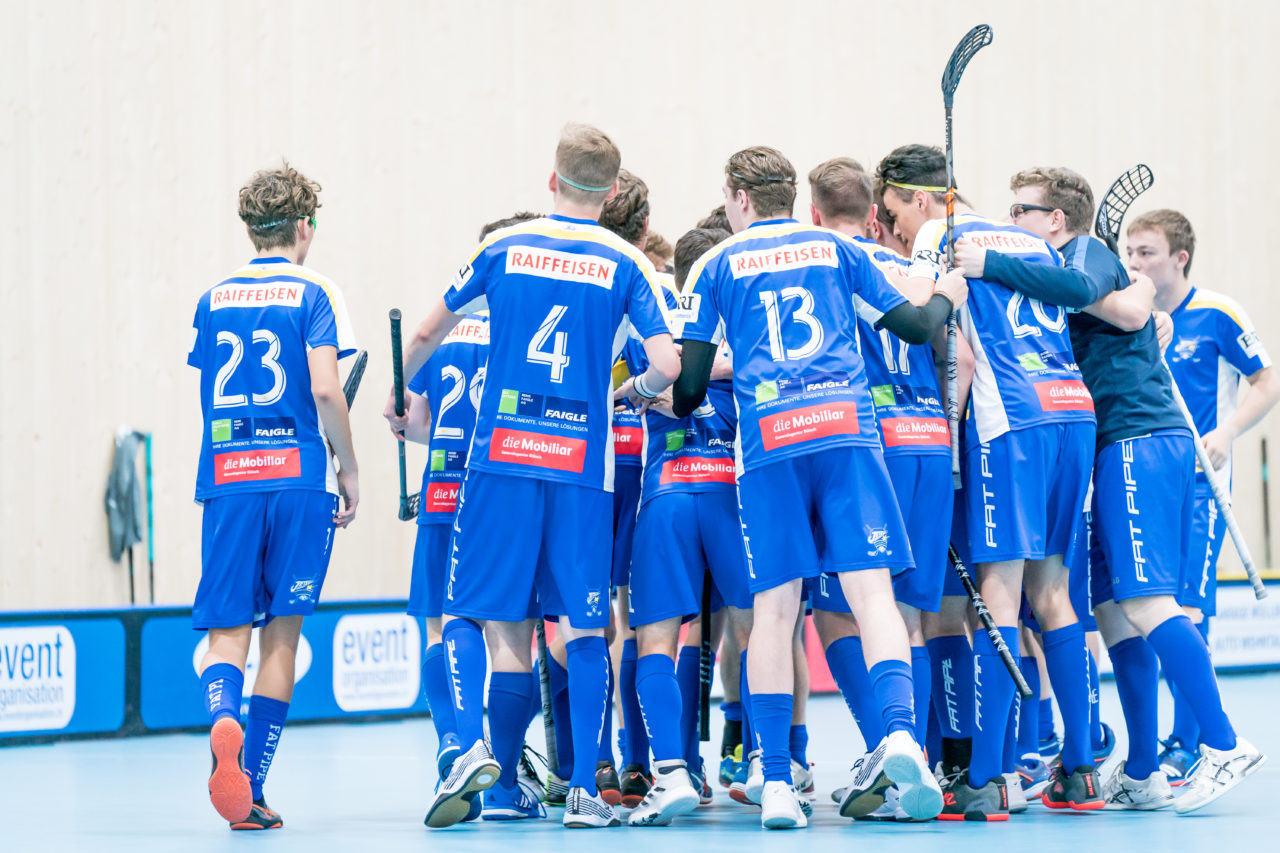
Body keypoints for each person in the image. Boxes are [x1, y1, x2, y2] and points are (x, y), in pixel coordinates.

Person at [389, 124, 680, 830]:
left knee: (493, 620)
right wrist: (630, 392)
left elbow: (425, 333)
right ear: (611, 192)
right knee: (584, 626)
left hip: (502, 461)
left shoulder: (500, 248)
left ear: (552, 181)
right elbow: (669, 365)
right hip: (581, 467)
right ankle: (584, 788)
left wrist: (399, 394)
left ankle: (493, 779)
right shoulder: (625, 260)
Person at [668, 145, 965, 829]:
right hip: (846, 436)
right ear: (791, 198)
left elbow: (687, 390)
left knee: (774, 612)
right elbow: (919, 325)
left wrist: (689, 382)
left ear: (739, 200)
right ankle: (897, 735)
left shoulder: (716, 265)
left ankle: (776, 781)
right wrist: (947, 288)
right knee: (873, 596)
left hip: (770, 445)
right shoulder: (836, 248)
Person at [954, 167, 1268, 813]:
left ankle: (1223, 740)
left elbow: (1109, 291)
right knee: (1115, 613)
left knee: (1147, 601)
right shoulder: (1050, 280)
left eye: (1023, 210)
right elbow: (1119, 307)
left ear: (1058, 220)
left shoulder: (1084, 253)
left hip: (1139, 437)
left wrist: (986, 261)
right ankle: (1145, 766)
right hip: (1101, 446)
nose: (1013, 222)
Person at [878, 144, 1099, 819]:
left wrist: (944, 435)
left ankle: (986, 776)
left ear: (922, 199)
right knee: (1052, 590)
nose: (894, 232)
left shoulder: (942, 235)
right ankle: (1081, 767)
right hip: (1072, 410)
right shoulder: (1030, 239)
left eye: (895, 216)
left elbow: (959, 349)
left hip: (1013, 424)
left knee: (999, 591)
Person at [188, 161, 358, 830]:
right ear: (305, 226)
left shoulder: (211, 298)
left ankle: (222, 716)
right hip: (298, 477)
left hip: (228, 474)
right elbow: (324, 389)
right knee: (281, 640)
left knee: (229, 632)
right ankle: (251, 784)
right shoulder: (316, 290)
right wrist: (349, 466)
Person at [807, 157, 958, 819]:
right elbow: (962, 354)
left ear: (815, 214)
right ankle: (913, 759)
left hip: (876, 442)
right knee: (911, 618)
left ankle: (890, 756)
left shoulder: (827, 262)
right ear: (875, 215)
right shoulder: (918, 270)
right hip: (934, 438)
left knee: (845, 608)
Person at [1127, 209, 1280, 782]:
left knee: (1189, 609)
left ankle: (1186, 744)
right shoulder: (1129, 315)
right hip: (1142, 483)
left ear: (1179, 258)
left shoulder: (1218, 313)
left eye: (1146, 253)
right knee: (1153, 609)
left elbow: (1268, 379)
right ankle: (1165, 746)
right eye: (1130, 252)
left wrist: (1228, 432)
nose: (1135, 263)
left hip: (1201, 487)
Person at [622, 225, 754, 826]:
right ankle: (772, 766)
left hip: (667, 488)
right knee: (759, 630)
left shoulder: (647, 323)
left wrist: (637, 391)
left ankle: (671, 769)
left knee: (654, 635)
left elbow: (642, 381)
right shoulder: (745, 320)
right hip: (731, 488)